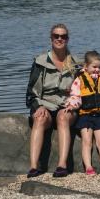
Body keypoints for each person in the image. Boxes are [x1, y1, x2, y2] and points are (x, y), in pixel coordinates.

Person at [26, 23, 82, 178]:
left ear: (67, 39)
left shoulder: (77, 63)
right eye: (56, 36)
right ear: (50, 38)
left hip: (67, 105)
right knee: (39, 119)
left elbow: (85, 89)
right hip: (45, 103)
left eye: (63, 36)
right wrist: (38, 106)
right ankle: (33, 167)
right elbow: (31, 91)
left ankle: (62, 165)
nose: (59, 39)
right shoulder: (40, 61)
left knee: (63, 118)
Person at [64, 51, 100, 176]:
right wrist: (71, 105)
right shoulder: (80, 79)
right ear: (86, 66)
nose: (97, 70)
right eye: (94, 67)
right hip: (85, 117)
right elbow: (75, 95)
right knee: (87, 142)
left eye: (99, 67)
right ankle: (88, 168)